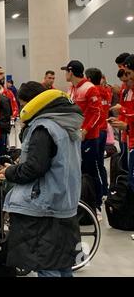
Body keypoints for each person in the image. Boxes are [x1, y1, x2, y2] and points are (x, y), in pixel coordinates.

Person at [0, 81, 83, 277]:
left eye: (22, 104)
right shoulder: (64, 123)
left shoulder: (43, 127)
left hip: (43, 207)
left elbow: (33, 168)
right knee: (62, 264)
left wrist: (9, 172)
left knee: (46, 265)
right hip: (65, 202)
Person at [63, 60, 103, 220]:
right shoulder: (71, 89)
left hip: (88, 139)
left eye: (66, 71)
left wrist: (85, 130)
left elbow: (97, 113)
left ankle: (97, 205)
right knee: (76, 172)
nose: (65, 73)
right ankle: (80, 203)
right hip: (74, 138)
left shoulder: (89, 88)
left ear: (71, 72)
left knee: (90, 172)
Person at [86, 68, 112, 197]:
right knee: (100, 163)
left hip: (96, 132)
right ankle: (104, 189)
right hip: (103, 130)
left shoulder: (92, 92)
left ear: (89, 79)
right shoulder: (107, 91)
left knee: (95, 164)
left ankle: (100, 192)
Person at [110, 55, 134, 192]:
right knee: (129, 179)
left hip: (129, 134)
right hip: (129, 136)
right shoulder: (127, 90)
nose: (128, 79)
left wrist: (126, 125)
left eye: (129, 74)